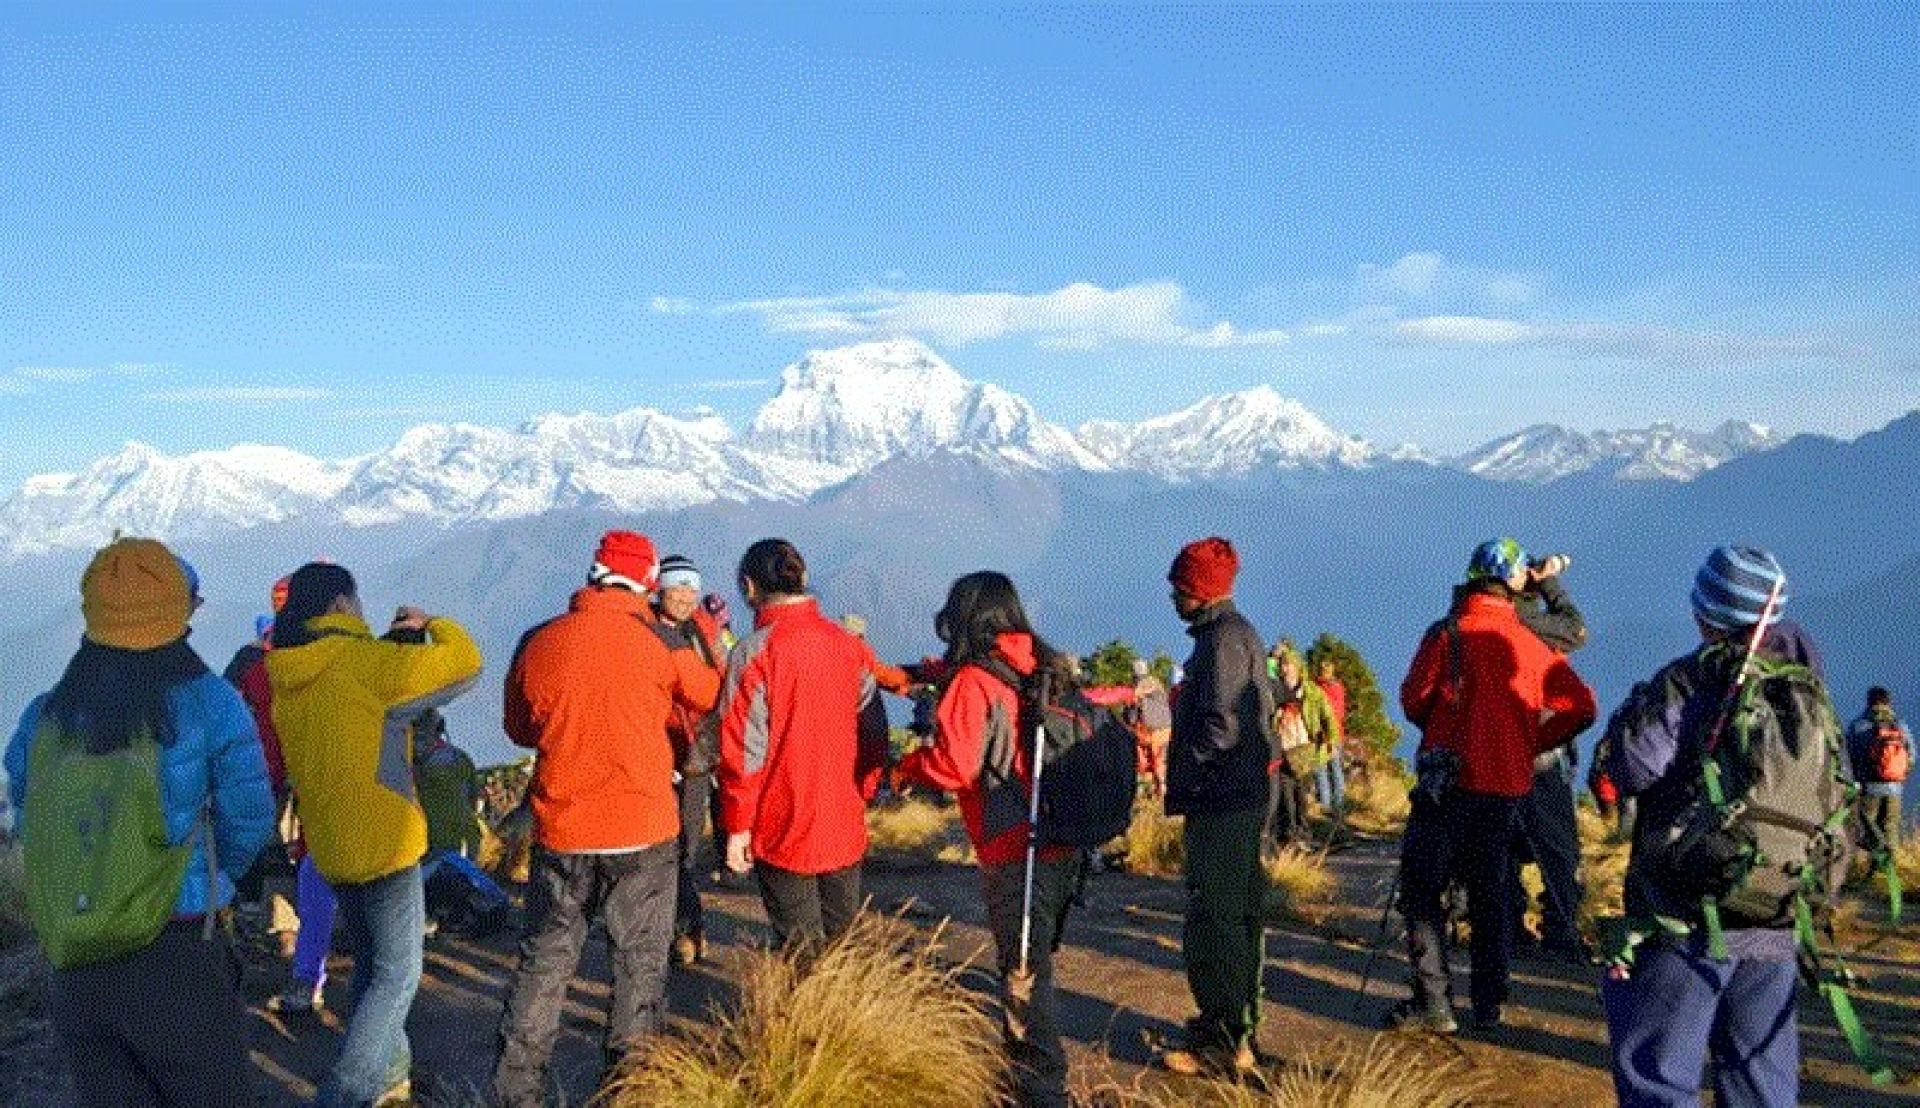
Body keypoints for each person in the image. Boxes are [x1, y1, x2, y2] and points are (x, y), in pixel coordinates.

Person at [6, 538, 274, 1107]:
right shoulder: (211, 703)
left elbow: (29, 817)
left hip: (75, 957)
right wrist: (207, 881)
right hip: (176, 948)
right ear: (177, 610)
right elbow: (247, 822)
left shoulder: (45, 715)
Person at [493, 533, 721, 1105]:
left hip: (562, 829)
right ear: (647, 581)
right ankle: (630, 1089)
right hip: (642, 827)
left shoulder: (538, 640)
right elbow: (706, 693)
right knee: (639, 966)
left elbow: (519, 729)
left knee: (544, 965)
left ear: (594, 575)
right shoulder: (660, 640)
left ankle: (516, 1090)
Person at [1600, 546, 1822, 1107]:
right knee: (1760, 1080)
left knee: (1659, 1075)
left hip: (1686, 912)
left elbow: (1634, 766)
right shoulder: (1803, 687)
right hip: (1774, 907)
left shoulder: (1688, 680)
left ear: (1708, 613)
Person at [269, 562, 483, 1108]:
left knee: (372, 961)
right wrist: (431, 624)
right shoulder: (363, 663)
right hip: (385, 841)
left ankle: (390, 1076)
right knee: (398, 975)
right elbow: (464, 665)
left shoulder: (289, 671)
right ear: (342, 604)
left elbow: (358, 716)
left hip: (330, 842)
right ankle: (347, 1092)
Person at [1388, 538, 1596, 1034]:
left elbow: (1414, 700)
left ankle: (1434, 1003)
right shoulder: (1529, 640)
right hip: (1505, 786)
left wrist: (1447, 724)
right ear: (1513, 582)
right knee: (1491, 892)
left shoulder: (1447, 633)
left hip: (1446, 783)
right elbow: (1582, 707)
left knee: (1423, 888)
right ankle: (1488, 1004)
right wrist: (1529, 740)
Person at [895, 572, 1081, 1106]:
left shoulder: (974, 681)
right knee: (1036, 960)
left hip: (1010, 846)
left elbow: (954, 766)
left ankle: (1039, 1088)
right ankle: (1034, 1078)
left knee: (1022, 972)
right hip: (1061, 838)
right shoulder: (1043, 665)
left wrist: (905, 768)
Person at [717, 538, 887, 948]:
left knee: (799, 944)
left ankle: (809, 993)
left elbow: (743, 751)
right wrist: (863, 791)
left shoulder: (754, 652)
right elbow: (873, 731)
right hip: (843, 816)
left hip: (781, 821)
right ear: (803, 578)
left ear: (749, 587)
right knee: (844, 940)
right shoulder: (849, 645)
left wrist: (738, 826)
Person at [1157, 537, 1275, 1076]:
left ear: (1198, 590)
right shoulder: (1234, 634)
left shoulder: (1222, 641)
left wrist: (1195, 774)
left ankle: (1221, 1042)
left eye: (1179, 586)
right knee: (1238, 917)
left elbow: (1222, 725)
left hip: (1221, 802)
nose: (1172, 595)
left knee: (1215, 919)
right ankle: (1236, 1030)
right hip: (1240, 797)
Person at [1502, 553, 1592, 963]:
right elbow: (1575, 629)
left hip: (1489, 750)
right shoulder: (1528, 622)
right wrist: (1550, 583)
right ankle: (1561, 930)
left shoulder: (1466, 621)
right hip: (1539, 751)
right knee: (1557, 847)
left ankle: (1507, 924)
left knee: (1499, 843)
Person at [653, 554, 728, 967]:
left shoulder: (702, 630)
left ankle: (685, 928)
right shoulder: (646, 630)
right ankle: (681, 929)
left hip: (695, 753)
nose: (684, 596)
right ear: (658, 588)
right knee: (664, 847)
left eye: (690, 588)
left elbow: (722, 681)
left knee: (684, 847)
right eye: (676, 587)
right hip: (657, 748)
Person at [1267, 642, 1336, 847]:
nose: (1284, 669)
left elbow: (1327, 715)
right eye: (1282, 665)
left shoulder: (1312, 692)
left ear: (1298, 667)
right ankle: (1289, 837)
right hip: (1282, 750)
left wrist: (1330, 739)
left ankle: (1303, 834)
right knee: (1285, 797)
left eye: (1288, 664)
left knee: (1302, 796)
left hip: (1304, 750)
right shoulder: (1274, 689)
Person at [1848, 687, 1911, 853]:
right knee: (1890, 828)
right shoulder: (1900, 725)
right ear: (1889, 702)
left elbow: (1849, 756)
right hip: (1895, 787)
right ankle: (1889, 865)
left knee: (1866, 830)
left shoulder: (1858, 725)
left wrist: (1856, 779)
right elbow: (1911, 755)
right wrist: (1898, 774)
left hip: (1868, 787)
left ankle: (1866, 864)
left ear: (1868, 702)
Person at [1133, 658, 1174, 798]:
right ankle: (1147, 791)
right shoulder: (1145, 684)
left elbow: (1138, 693)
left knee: (1158, 760)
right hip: (1145, 730)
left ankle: (1161, 790)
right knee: (1143, 762)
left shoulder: (1151, 682)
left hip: (1159, 729)